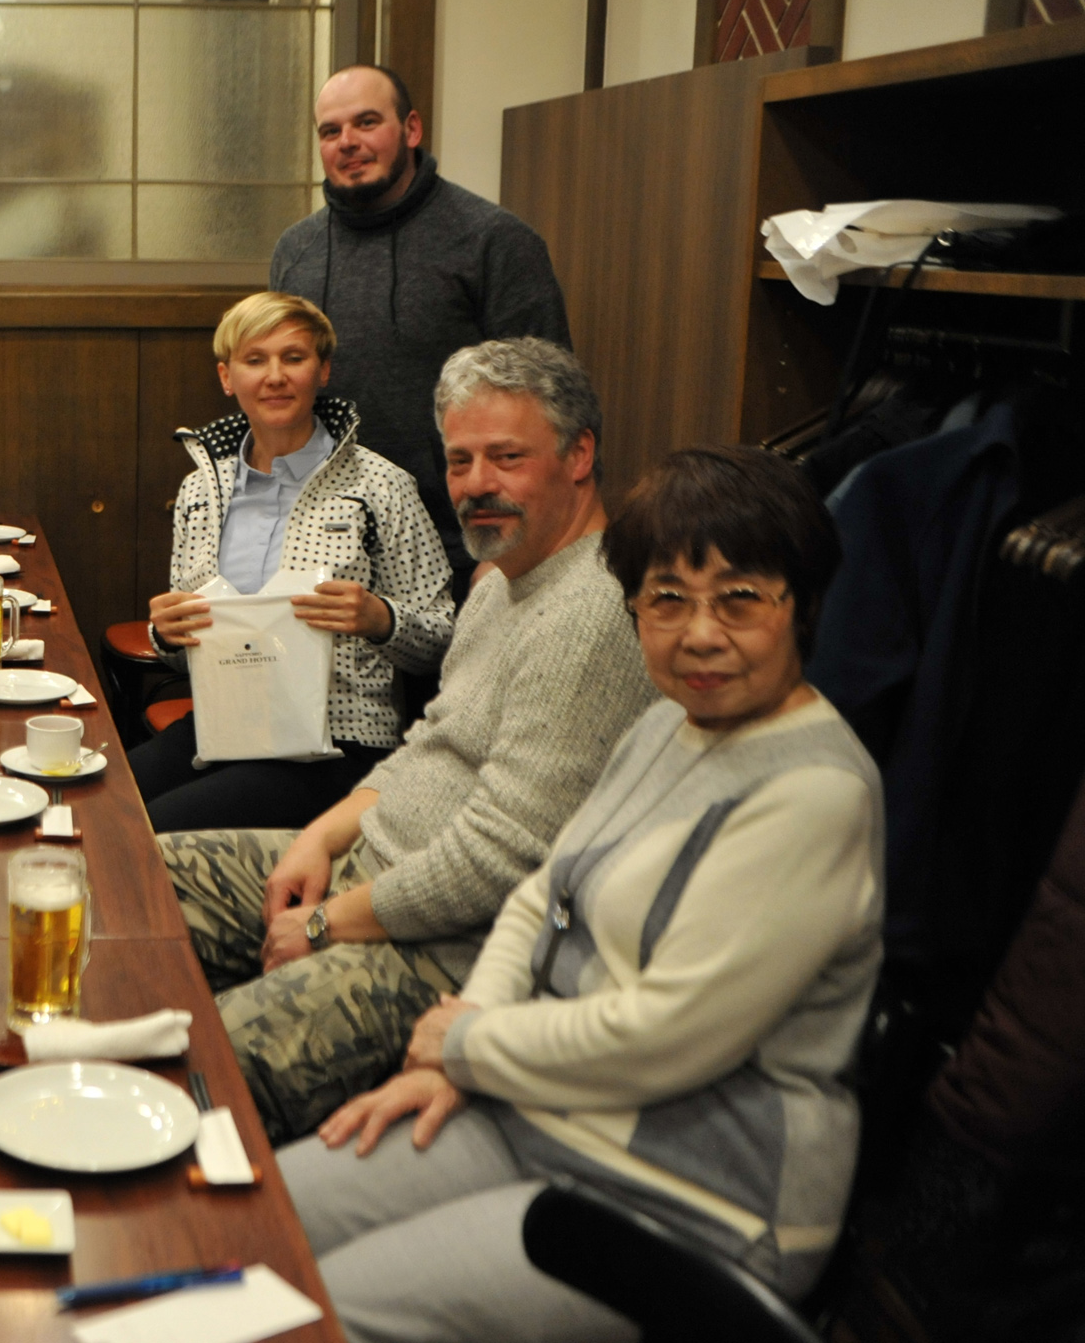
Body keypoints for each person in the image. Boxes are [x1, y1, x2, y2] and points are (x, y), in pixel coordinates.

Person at [277, 445, 880, 1343]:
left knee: (312, 1311)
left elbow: (666, 1035)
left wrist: (468, 1043)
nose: (700, 633)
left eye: (740, 598)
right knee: (258, 1223)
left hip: (688, 1202)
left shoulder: (815, 793)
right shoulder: (666, 724)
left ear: (804, 607)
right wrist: (457, 1051)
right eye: (667, 599)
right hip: (537, 1109)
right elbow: (542, 894)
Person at [161, 338, 657, 1143]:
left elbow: (505, 856)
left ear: (579, 456)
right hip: (367, 872)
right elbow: (430, 741)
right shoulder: (502, 583)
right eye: (460, 461)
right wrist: (320, 838)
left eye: (507, 457)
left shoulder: (592, 613)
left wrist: (326, 924)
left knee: (192, 1077)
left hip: (440, 947)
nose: (477, 484)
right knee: (126, 885)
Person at [133, 291, 454, 834]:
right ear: (227, 377)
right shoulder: (199, 492)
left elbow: (443, 640)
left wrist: (380, 619)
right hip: (223, 727)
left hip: (339, 743)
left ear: (323, 371)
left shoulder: (381, 486)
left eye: (294, 357)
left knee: (152, 830)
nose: (275, 376)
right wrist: (166, 636)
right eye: (255, 360)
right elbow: (188, 658)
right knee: (102, 804)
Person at [272, 65, 571, 586]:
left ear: (411, 129)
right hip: (326, 544)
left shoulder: (493, 241)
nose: (348, 142)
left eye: (367, 122)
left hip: (465, 547)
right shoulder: (295, 251)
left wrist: (506, 553)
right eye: (331, 130)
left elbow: (551, 408)